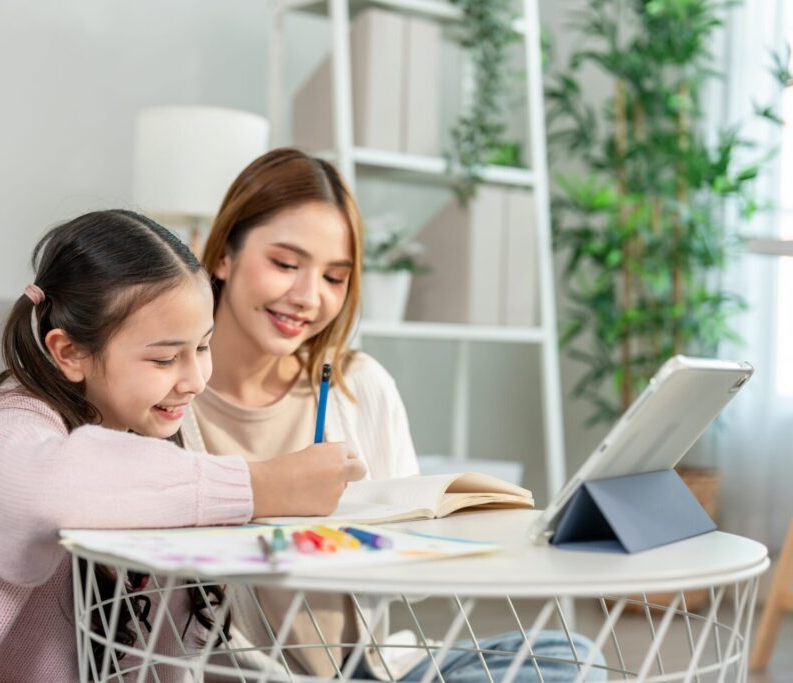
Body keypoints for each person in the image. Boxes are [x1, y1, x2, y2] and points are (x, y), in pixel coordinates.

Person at [0, 209, 364, 682]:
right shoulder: (10, 433)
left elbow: (165, 651)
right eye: (166, 358)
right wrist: (261, 484)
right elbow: (54, 483)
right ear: (68, 352)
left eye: (204, 346)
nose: (194, 378)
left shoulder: (149, 450)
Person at [182, 148, 605, 681]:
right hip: (248, 674)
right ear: (223, 256)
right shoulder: (169, 397)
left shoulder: (359, 384)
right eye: (285, 264)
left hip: (368, 670)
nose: (308, 297)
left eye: (335, 278)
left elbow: (411, 583)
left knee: (568, 656)